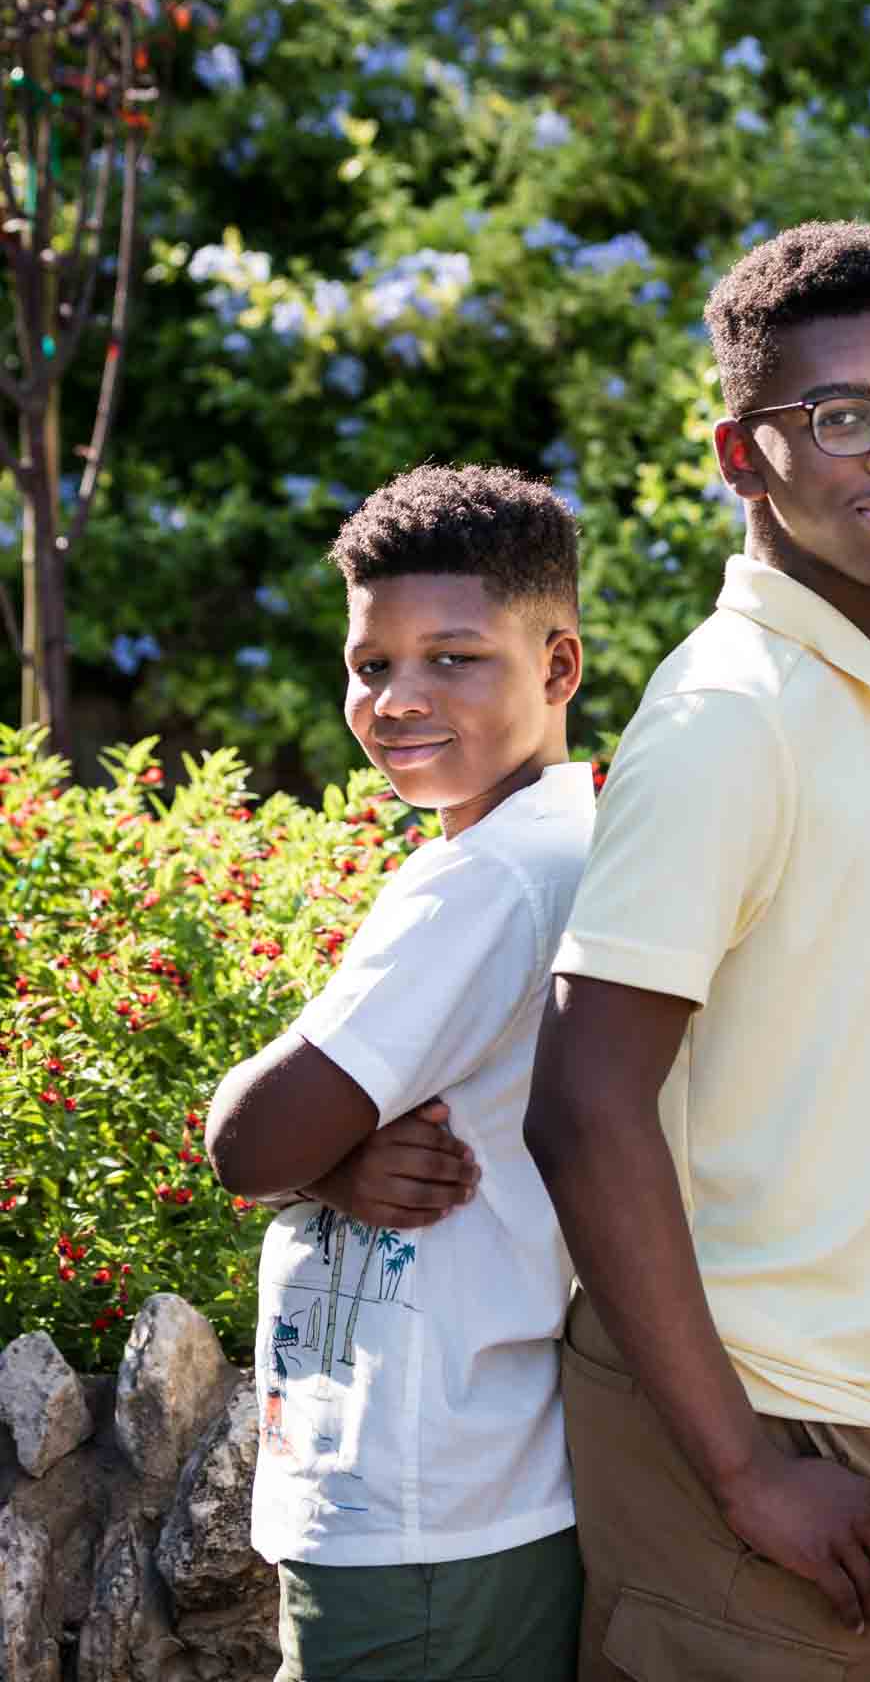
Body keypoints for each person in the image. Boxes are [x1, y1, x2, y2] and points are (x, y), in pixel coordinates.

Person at [525, 220, 870, 1682]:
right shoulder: (728, 710)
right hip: (756, 1446)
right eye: (840, 417)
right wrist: (746, 1472)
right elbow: (582, 1104)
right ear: (742, 458)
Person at [207, 463, 593, 1682]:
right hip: (476, 1488)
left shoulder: (482, 882)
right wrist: (338, 1165)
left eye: (454, 657)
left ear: (557, 667)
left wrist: (309, 1161)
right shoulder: (558, 837)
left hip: (425, 1505)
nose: (397, 698)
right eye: (372, 664)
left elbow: (246, 1145)